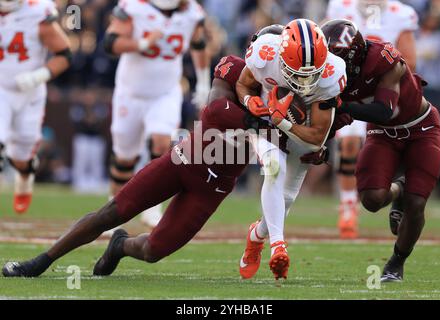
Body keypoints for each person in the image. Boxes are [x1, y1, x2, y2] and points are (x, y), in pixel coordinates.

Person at [1, 54, 274, 278]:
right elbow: (215, 108)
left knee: (154, 251)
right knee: (110, 213)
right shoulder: (235, 68)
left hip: (213, 186)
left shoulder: (287, 94)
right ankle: (40, 262)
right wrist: (260, 120)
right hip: (184, 161)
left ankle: (120, 246)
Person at [321, 19, 440, 282]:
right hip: (383, 133)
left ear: (353, 53)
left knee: (417, 201)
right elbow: (335, 117)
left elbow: (384, 110)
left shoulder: (386, 60)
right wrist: (319, 141)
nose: (330, 65)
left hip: (421, 128)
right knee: (372, 200)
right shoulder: (335, 74)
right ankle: (397, 189)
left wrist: (341, 106)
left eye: (335, 57)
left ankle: (396, 262)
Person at [236, 19, 348, 280]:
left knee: (285, 201)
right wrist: (249, 100)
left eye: (313, 72)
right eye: (299, 72)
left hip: (301, 131)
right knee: (274, 169)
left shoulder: (332, 72)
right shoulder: (265, 55)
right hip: (266, 124)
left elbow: (317, 138)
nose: (307, 79)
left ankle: (256, 236)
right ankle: (278, 246)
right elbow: (243, 84)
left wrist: (284, 120)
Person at [104, 0, 210, 227]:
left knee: (162, 143)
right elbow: (110, 43)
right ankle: (113, 207)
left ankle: (152, 207)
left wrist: (203, 83)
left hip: (166, 91)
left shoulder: (192, 12)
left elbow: (199, 44)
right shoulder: (134, 7)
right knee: (124, 158)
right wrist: (142, 43)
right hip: (130, 92)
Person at [325, 0, 419, 238]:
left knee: (392, 149)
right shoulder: (340, 6)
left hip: (381, 88)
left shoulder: (400, 13)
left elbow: (409, 60)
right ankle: (348, 206)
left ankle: (397, 191)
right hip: (346, 86)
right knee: (348, 145)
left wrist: (382, 77)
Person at [0, 0, 71, 214]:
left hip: (29, 93)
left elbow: (65, 54)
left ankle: (25, 176)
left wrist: (37, 76)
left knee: (22, 156)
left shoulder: (38, 12)